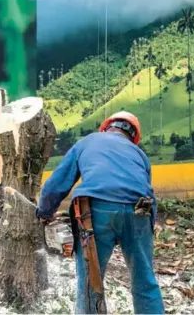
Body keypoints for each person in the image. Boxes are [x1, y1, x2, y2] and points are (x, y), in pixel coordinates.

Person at [36, 111, 165, 314]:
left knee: (91, 282)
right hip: (139, 211)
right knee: (145, 281)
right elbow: (147, 192)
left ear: (105, 128)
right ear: (134, 137)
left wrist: (44, 211)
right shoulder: (139, 154)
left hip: (95, 212)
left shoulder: (89, 141)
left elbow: (57, 183)